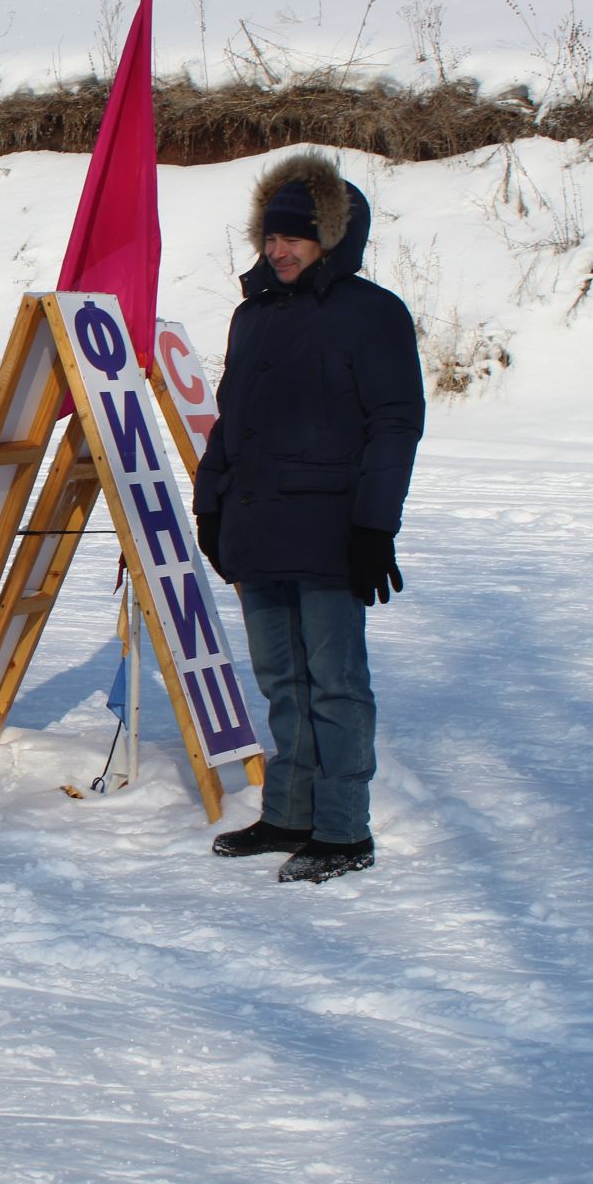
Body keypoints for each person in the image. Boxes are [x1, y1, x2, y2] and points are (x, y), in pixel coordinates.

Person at [192, 151, 424, 885]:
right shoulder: (251, 316)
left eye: (294, 237)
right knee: (281, 682)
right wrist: (211, 504)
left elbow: (395, 423)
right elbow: (231, 423)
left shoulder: (371, 314)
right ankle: (289, 811)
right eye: (270, 237)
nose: (279, 249)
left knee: (335, 684)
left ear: (331, 238)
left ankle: (343, 829)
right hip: (258, 527)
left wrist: (373, 527)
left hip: (329, 531)